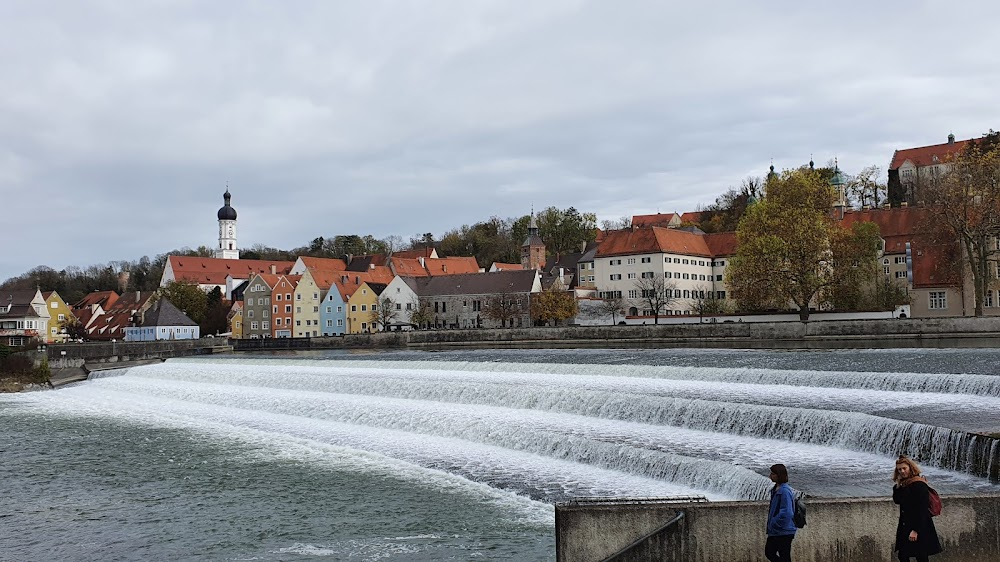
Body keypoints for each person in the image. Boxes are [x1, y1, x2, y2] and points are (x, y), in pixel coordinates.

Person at [893, 455, 942, 561]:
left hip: (919, 526)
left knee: (921, 556)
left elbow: (922, 509)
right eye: (899, 469)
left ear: (910, 468)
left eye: (904, 468)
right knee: (903, 555)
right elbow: (897, 500)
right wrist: (898, 485)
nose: (902, 471)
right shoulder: (903, 484)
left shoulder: (919, 484)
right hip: (905, 525)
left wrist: (915, 530)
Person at [765, 463, 796, 561]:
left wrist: (774, 522)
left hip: (783, 530)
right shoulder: (776, 489)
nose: (770, 475)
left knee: (774, 553)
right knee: (774, 553)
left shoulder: (784, 491)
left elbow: (787, 512)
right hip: (778, 530)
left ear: (779, 475)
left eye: (773, 473)